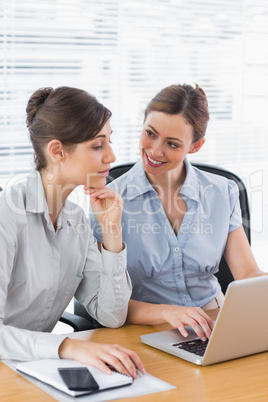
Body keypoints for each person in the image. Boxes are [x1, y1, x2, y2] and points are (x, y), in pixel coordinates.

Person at [89, 83, 267, 343]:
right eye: (150, 133)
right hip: (144, 328)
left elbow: (248, 275)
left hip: (215, 319)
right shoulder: (109, 201)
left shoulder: (222, 192)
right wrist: (169, 312)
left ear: (195, 146)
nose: (155, 150)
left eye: (172, 144)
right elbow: (103, 299)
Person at [0, 86, 145, 379]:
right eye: (97, 145)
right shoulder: (7, 216)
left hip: (33, 369)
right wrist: (67, 346)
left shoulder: (76, 220)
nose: (112, 156)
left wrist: (112, 233)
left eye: (110, 142)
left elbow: (111, 316)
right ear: (57, 150)